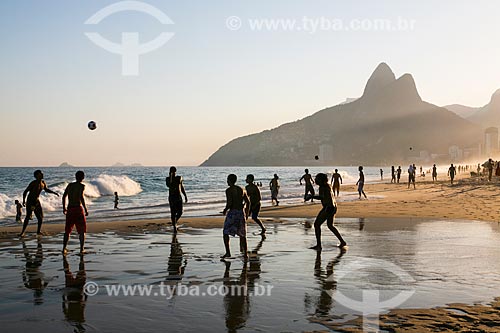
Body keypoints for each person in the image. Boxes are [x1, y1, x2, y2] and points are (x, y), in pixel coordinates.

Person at [309, 173, 347, 250]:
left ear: (321, 180)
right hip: (333, 207)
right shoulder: (328, 185)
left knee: (317, 224)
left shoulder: (322, 187)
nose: (316, 180)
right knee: (330, 225)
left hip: (328, 208)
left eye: (317, 179)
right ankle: (342, 241)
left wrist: (311, 196)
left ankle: (319, 245)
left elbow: (321, 197)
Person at [19, 170, 59, 237]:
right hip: (30, 201)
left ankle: (38, 231)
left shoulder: (43, 182)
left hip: (37, 202)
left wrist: (54, 193)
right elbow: (25, 191)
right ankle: (22, 232)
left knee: (40, 217)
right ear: (37, 176)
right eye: (41, 174)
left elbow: (46, 189)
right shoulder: (33, 183)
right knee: (28, 217)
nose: (42, 174)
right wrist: (23, 201)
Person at [221, 174, 250, 260]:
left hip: (233, 212)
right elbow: (248, 202)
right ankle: (245, 254)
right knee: (242, 234)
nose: (227, 181)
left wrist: (225, 209)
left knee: (225, 232)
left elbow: (229, 203)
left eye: (227, 180)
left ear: (230, 180)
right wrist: (247, 212)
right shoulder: (242, 189)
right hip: (241, 213)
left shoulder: (229, 190)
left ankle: (228, 252)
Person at [62, 171, 89, 255]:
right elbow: (81, 197)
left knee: (67, 230)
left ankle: (64, 248)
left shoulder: (70, 185)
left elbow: (64, 196)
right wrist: (85, 209)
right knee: (81, 230)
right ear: (83, 177)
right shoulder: (82, 186)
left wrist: (64, 207)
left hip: (70, 209)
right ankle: (81, 249)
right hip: (78, 209)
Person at [166, 166, 188, 233]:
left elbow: (182, 187)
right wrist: (171, 178)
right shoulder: (168, 179)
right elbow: (169, 185)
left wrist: (185, 195)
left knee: (180, 212)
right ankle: (174, 226)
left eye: (174, 171)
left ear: (176, 171)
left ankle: (174, 222)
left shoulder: (179, 178)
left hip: (178, 197)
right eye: (172, 171)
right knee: (173, 212)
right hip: (172, 197)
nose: (173, 173)